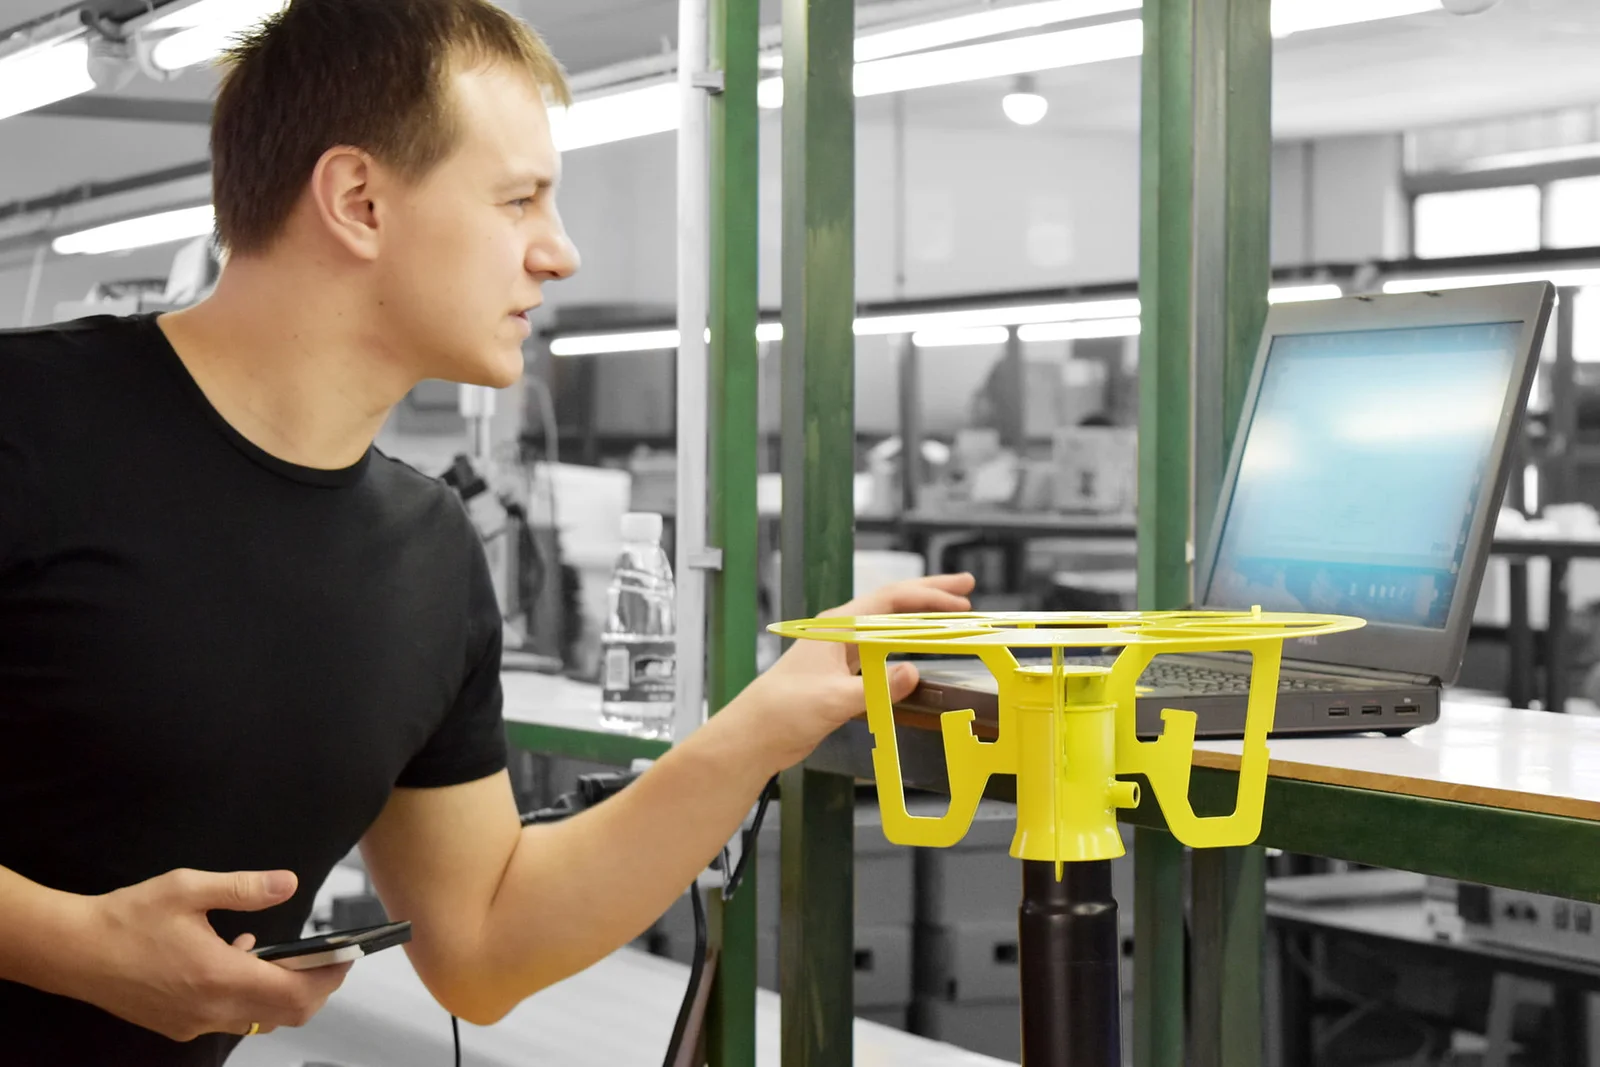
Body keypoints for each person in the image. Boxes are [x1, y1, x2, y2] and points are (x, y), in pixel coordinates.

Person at [0, 1, 975, 1062]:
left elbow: (482, 943)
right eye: (519, 200)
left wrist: (768, 719)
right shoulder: (28, 423)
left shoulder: (426, 552)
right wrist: (71, 944)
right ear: (359, 201)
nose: (561, 253)